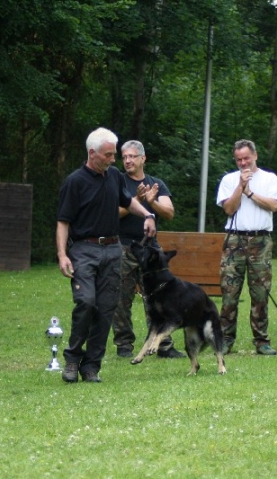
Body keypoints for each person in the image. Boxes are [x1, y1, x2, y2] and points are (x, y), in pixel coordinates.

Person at [56, 127, 156, 383]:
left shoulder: (114, 177)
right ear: (92, 153)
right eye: (109, 155)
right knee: (86, 302)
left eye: (115, 155)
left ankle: (92, 367)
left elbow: (126, 201)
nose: (114, 160)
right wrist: (62, 255)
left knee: (106, 309)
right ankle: (72, 359)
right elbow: (63, 222)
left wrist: (147, 214)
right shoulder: (75, 182)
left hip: (113, 249)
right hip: (84, 250)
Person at [110, 140, 184, 359]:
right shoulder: (118, 182)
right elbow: (112, 213)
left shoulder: (155, 183)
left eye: (132, 156)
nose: (128, 161)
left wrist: (152, 201)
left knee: (159, 296)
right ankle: (124, 344)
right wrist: (137, 202)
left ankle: (163, 344)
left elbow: (169, 213)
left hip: (150, 250)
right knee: (121, 298)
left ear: (143, 158)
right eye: (124, 157)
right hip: (123, 246)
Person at [216, 139, 277, 355]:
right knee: (229, 292)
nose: (243, 163)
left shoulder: (269, 178)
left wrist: (250, 193)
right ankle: (225, 339)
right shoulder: (229, 180)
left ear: (255, 156)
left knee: (260, 293)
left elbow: (274, 205)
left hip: (261, 240)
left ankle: (261, 341)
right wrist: (240, 187)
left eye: (246, 158)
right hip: (235, 240)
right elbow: (228, 209)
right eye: (239, 160)